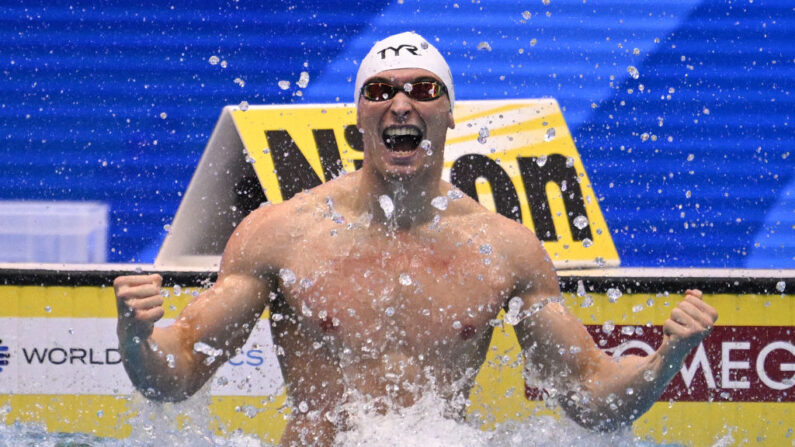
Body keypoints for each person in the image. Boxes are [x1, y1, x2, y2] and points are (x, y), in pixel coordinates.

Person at [113, 32, 718, 446]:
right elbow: (178, 374)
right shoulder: (283, 233)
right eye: (381, 91)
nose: (401, 104)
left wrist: (667, 360)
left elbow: (590, 398)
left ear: (450, 111)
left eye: (423, 90)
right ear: (358, 115)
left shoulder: (504, 249)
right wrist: (137, 338)